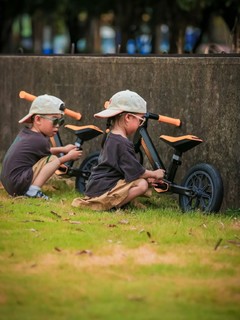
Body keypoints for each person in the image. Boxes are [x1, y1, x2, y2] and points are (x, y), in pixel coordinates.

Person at [72, 89, 165, 211]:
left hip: (96, 186)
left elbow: (128, 171)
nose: (141, 124)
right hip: (103, 189)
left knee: (141, 180)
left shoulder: (111, 136)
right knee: (142, 185)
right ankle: (112, 206)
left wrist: (146, 177)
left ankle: (115, 202)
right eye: (140, 120)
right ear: (128, 117)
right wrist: (154, 173)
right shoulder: (122, 143)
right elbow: (137, 171)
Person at [0, 94, 82, 200]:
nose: (57, 125)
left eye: (61, 121)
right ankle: (33, 191)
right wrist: (69, 156)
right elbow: (51, 161)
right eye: (55, 121)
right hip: (17, 184)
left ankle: (29, 189)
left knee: (49, 159)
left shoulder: (27, 134)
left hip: (10, 183)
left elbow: (44, 151)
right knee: (52, 159)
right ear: (38, 119)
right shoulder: (39, 140)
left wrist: (63, 149)